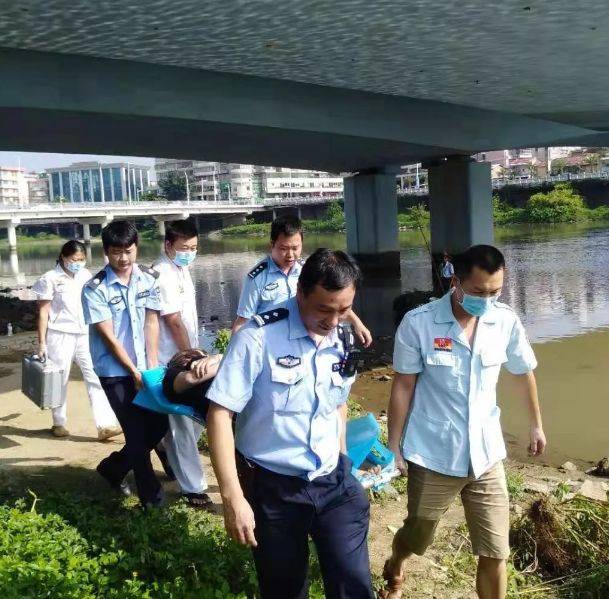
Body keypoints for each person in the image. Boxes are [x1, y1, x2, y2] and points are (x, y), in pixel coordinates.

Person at [207, 248, 374, 599]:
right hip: (274, 489)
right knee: (284, 588)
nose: (332, 320)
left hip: (333, 481)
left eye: (343, 310)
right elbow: (220, 414)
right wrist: (233, 497)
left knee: (353, 582)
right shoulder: (257, 337)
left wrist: (342, 460)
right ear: (300, 292)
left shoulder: (343, 337)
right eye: (323, 309)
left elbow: (338, 403)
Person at [381, 245, 546, 599]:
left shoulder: (505, 321)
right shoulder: (420, 323)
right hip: (433, 453)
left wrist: (536, 424)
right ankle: (396, 561)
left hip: (486, 456)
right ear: (455, 281)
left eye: (495, 291)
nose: (487, 299)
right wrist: (393, 446)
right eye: (478, 291)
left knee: (494, 550)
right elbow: (403, 386)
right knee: (418, 535)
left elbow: (523, 372)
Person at [82, 220, 168, 507]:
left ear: (136, 248)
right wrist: (132, 371)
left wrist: (151, 367)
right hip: (115, 373)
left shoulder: (150, 278)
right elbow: (108, 337)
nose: (123, 258)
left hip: (146, 369)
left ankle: (113, 468)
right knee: (136, 435)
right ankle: (152, 503)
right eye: (116, 252)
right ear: (106, 252)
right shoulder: (94, 289)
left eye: (128, 251)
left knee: (157, 428)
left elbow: (152, 322)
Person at [231, 214, 373, 348]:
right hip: (270, 342)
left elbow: (334, 303)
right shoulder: (257, 277)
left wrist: (357, 323)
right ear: (272, 245)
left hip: (305, 338)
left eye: (295, 248)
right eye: (284, 248)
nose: (290, 255)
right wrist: (234, 353)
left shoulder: (309, 270)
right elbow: (243, 321)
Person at [32, 240, 120, 440]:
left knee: (94, 376)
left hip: (85, 333)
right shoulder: (50, 278)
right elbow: (43, 313)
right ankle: (59, 422)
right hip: (59, 334)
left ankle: (105, 424)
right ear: (63, 257)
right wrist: (42, 343)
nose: (78, 263)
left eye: (81, 259)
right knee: (60, 379)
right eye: (74, 259)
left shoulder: (86, 275)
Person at [153, 219, 212, 508]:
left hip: (186, 354)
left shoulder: (181, 269)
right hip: (172, 360)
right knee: (183, 421)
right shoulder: (163, 273)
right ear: (168, 246)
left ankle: (164, 447)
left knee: (191, 419)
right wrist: (193, 353)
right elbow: (172, 320)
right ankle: (193, 487)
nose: (190, 252)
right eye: (184, 248)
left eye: (194, 248)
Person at [162, 348, 222, 420]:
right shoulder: (171, 374)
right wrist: (221, 360)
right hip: (223, 406)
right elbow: (189, 378)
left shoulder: (214, 362)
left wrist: (218, 358)